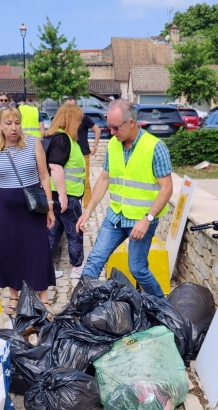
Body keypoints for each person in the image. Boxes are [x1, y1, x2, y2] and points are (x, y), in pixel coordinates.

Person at [76, 99, 173, 297]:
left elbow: (167, 188)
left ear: (131, 123)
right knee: (94, 261)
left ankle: (162, 305)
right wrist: (88, 210)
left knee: (137, 269)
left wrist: (148, 219)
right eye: (109, 127)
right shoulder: (113, 145)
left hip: (141, 219)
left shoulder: (155, 147)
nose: (111, 132)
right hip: (115, 216)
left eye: (115, 127)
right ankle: (78, 307)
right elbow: (104, 179)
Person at [0, 104, 56, 316]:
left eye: (17, 123)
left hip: (33, 207)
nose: (14, 128)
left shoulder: (34, 143)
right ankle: (14, 296)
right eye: (8, 123)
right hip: (6, 209)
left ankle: (43, 297)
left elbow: (44, 176)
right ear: (0, 125)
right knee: (10, 251)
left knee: (38, 249)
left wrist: (50, 208)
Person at [45, 104, 86, 279]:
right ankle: (76, 267)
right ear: (70, 120)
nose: (80, 124)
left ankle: (45, 268)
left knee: (52, 232)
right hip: (66, 196)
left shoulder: (64, 138)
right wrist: (63, 196)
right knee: (74, 232)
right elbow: (55, 166)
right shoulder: (63, 139)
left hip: (60, 195)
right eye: (78, 120)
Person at [65, 96, 101, 207]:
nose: (70, 109)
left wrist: (95, 146)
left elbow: (97, 130)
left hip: (83, 153)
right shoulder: (65, 118)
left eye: (72, 106)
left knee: (85, 180)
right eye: (68, 106)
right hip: (69, 153)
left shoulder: (83, 117)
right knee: (69, 178)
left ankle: (86, 206)